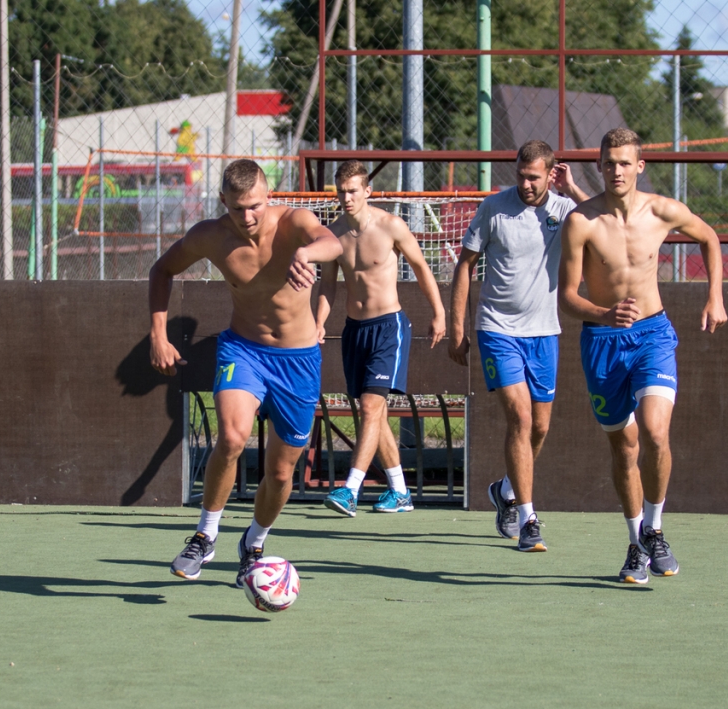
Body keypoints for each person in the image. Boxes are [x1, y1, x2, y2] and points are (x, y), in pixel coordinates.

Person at [149, 159, 342, 587]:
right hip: (243, 350)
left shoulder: (295, 223)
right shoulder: (210, 236)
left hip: (299, 361)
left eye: (255, 205)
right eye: (238, 208)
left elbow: (333, 243)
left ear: (268, 196)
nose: (248, 217)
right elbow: (161, 269)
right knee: (232, 437)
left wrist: (308, 252)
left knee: (279, 475)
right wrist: (158, 335)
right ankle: (205, 534)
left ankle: (254, 542)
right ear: (223, 202)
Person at [558, 127, 727, 583]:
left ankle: (654, 529)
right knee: (624, 445)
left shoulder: (662, 210)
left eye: (624, 162)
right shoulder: (582, 222)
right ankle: (636, 542)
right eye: (608, 162)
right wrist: (603, 313)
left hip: (653, 334)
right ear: (599, 165)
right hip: (602, 342)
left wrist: (715, 296)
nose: (616, 170)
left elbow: (709, 238)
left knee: (654, 431)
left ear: (640, 166)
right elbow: (566, 299)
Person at [449, 140, 589, 552]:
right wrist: (459, 327)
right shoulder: (493, 207)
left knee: (540, 427)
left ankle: (506, 489)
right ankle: (529, 519)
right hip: (497, 330)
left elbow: (600, 217)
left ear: (551, 173)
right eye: (521, 174)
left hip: (544, 333)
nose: (526, 183)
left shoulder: (564, 209)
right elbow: (465, 266)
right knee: (521, 419)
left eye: (535, 176)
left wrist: (574, 187)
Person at [315, 160, 446, 516]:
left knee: (372, 407)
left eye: (353, 190)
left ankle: (350, 489)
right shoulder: (333, 234)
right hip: (353, 331)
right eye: (341, 191)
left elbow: (421, 267)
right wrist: (319, 322)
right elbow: (327, 286)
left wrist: (439, 313)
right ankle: (401, 492)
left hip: (389, 328)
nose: (346, 198)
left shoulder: (391, 226)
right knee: (372, 411)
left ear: (367, 191)